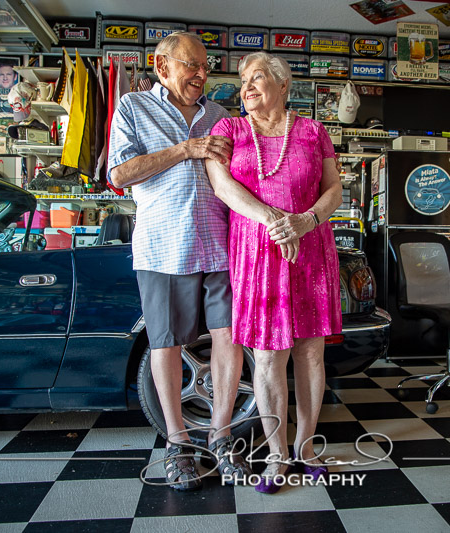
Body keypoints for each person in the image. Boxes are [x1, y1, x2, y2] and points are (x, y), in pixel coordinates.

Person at [107, 32, 251, 491]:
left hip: (221, 245)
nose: (202, 74)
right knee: (165, 344)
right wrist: (186, 149)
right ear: (162, 65)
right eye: (192, 65)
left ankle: (221, 435)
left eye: (206, 67)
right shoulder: (133, 107)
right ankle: (177, 442)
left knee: (229, 337)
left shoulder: (221, 116)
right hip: (164, 248)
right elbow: (118, 173)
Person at [205, 51, 343, 494]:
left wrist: (306, 221)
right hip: (257, 253)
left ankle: (306, 447)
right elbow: (221, 184)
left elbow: (334, 188)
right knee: (267, 357)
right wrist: (274, 221)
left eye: (257, 77)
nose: (246, 87)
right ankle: (276, 454)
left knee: (310, 353)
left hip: (310, 248)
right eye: (243, 79)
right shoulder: (229, 129)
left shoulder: (314, 131)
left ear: (283, 85)